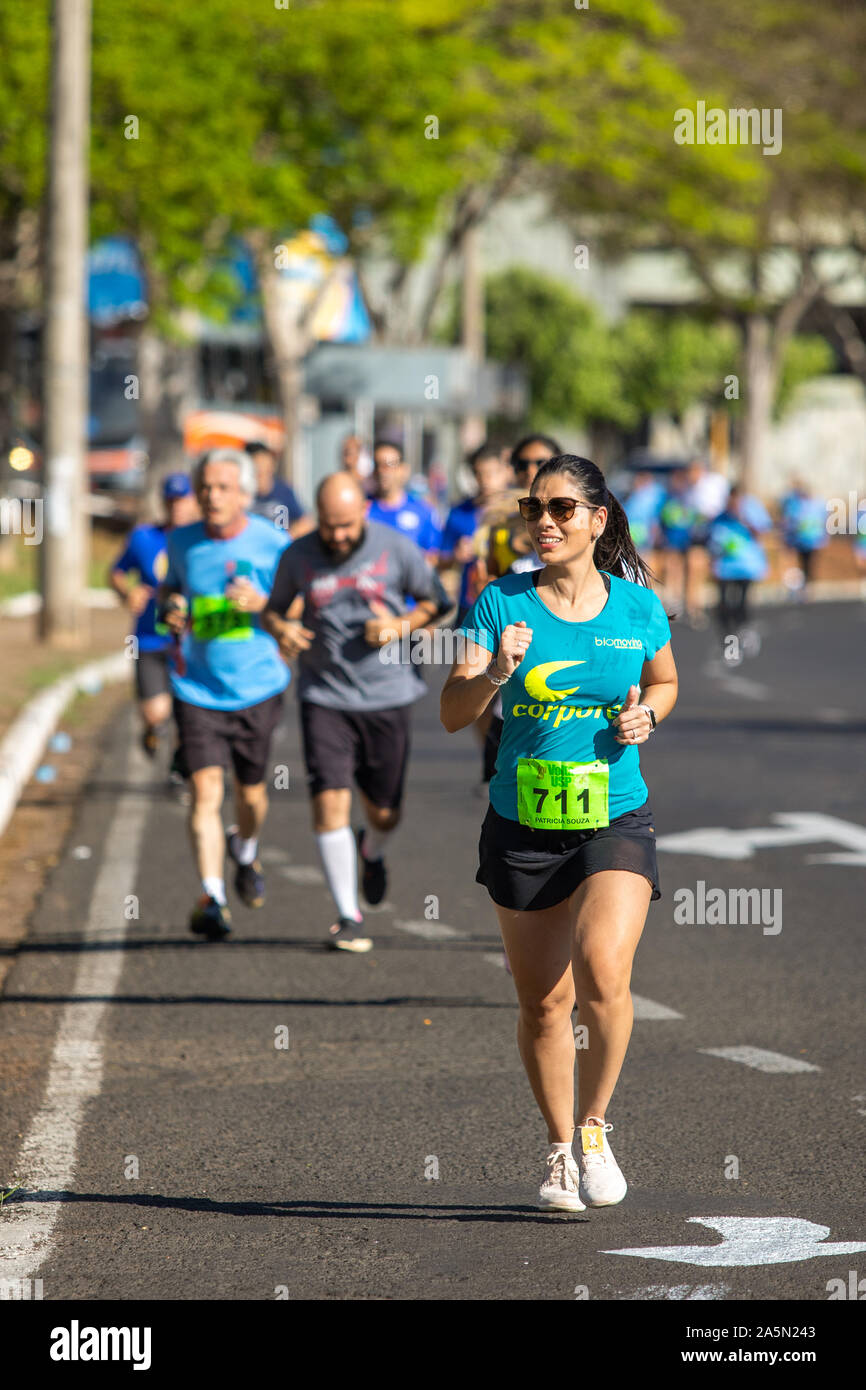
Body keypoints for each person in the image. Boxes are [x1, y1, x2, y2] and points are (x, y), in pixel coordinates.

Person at [441, 454, 678, 1212]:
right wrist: (493, 675)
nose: (544, 521)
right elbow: (451, 712)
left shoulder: (637, 607)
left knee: (603, 971)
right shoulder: (499, 603)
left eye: (563, 509)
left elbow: (667, 681)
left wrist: (650, 715)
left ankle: (594, 1128)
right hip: (524, 823)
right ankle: (556, 1151)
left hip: (614, 813)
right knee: (545, 1002)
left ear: (598, 519)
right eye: (532, 508)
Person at [263, 472, 451, 952]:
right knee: (329, 801)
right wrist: (282, 630)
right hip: (323, 696)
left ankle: (371, 849)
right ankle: (348, 915)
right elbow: (273, 610)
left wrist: (400, 624)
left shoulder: (396, 547)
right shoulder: (298, 555)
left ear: (363, 513)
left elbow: (438, 602)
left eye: (347, 525)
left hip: (388, 696)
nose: (339, 535)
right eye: (329, 525)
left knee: (386, 813)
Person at [159, 448, 291, 940]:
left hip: (258, 686)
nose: (212, 496)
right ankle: (212, 896)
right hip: (196, 688)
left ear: (243, 494)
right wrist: (171, 606)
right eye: (205, 488)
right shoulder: (182, 542)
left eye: (222, 488)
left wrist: (262, 603)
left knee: (251, 796)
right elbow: (169, 593)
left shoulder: (272, 542)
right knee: (205, 794)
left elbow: (294, 609)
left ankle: (247, 849)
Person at [109, 472, 199, 759]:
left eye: (182, 500)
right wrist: (127, 593)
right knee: (157, 712)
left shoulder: (203, 539)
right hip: (149, 640)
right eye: (171, 501)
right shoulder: (143, 538)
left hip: (192, 640)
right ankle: (151, 729)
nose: (177, 507)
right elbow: (116, 572)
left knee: (189, 716)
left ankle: (179, 769)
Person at [438, 442, 513, 627]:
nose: (485, 480)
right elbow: (441, 560)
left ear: (506, 472)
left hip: (510, 602)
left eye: (492, 473)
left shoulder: (520, 513)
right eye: (479, 474)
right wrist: (455, 555)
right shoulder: (459, 513)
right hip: (470, 604)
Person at [707, 485, 772, 641]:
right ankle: (727, 632)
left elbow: (762, 533)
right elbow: (712, 540)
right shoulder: (721, 517)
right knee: (723, 602)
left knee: (742, 601)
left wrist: (744, 519)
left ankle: (742, 628)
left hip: (746, 566)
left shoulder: (751, 511)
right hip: (725, 567)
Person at [367, 439, 442, 557]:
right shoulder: (362, 509)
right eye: (377, 465)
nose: (382, 471)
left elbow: (434, 557)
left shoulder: (423, 511)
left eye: (389, 465)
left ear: (404, 470)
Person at [246, 440, 314, 539]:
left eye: (267, 470)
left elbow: (306, 523)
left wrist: (285, 537)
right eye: (258, 473)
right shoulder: (242, 495)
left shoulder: (284, 491)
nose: (263, 477)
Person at [779, 478, 827, 597]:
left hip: (812, 541)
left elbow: (824, 522)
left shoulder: (818, 504)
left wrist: (822, 539)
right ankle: (794, 589)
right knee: (795, 566)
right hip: (796, 541)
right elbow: (788, 521)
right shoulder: (794, 504)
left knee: (808, 565)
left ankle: (806, 587)